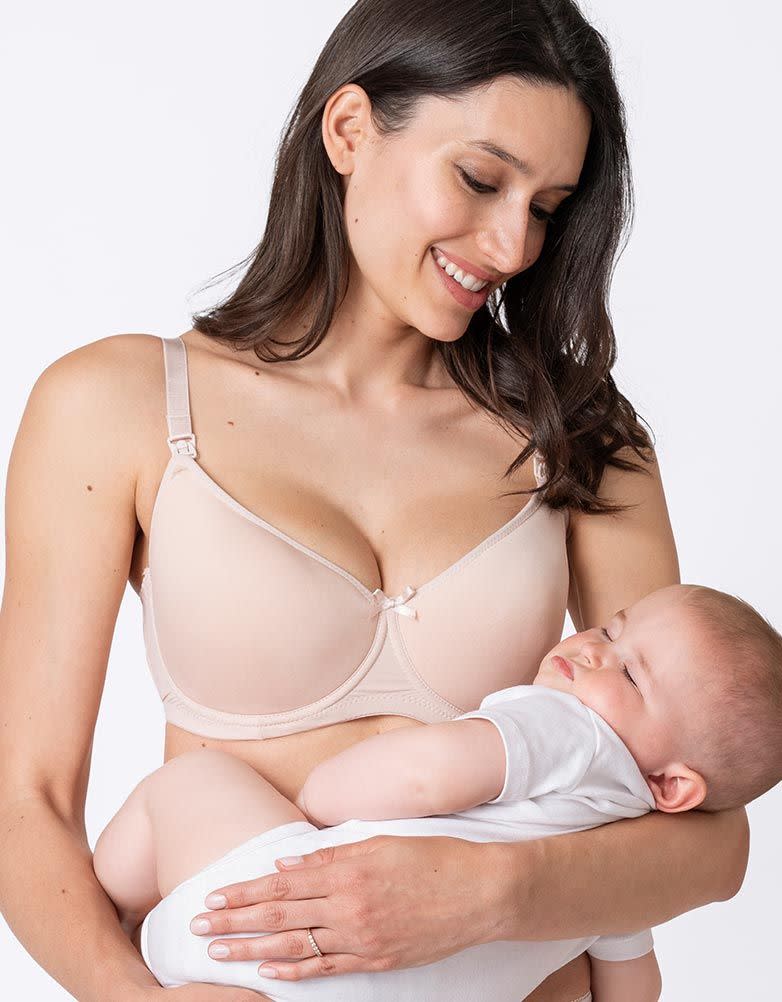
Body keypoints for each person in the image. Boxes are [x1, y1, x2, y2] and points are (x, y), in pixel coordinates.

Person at [0, 3, 749, 1002]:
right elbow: (26, 805)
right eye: (480, 179)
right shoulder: (116, 405)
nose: (511, 244)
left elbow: (707, 838)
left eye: (547, 205)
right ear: (348, 129)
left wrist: (484, 893)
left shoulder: (581, 434)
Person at [91, 583, 782, 1001]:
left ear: (672, 784)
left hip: (257, 915)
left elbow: (429, 771)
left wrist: (326, 798)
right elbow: (635, 989)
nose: (595, 650)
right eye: (609, 629)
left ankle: (121, 910)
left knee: (192, 781)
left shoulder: (568, 729)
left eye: (630, 676)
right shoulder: (622, 875)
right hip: (378, 982)